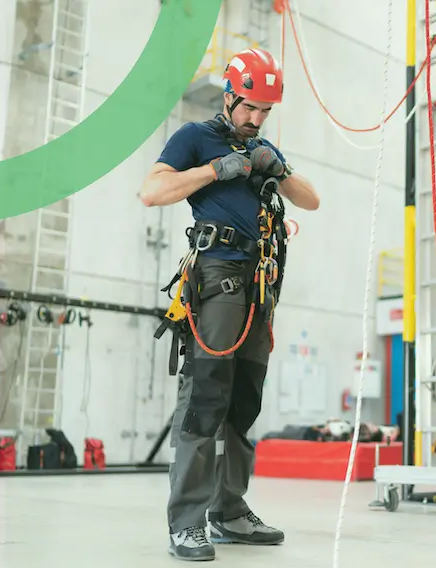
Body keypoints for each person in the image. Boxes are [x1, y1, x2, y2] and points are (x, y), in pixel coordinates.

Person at [139, 48, 319, 562]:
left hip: (259, 286)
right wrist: (216, 170)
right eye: (251, 108)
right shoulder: (195, 138)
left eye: (266, 111)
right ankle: (187, 524)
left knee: (243, 404)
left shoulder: (262, 147)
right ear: (230, 97)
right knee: (205, 400)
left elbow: (311, 200)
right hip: (217, 282)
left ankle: (230, 512)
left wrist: (276, 168)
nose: (257, 119)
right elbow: (152, 191)